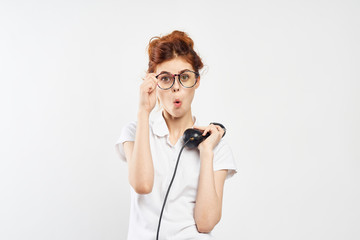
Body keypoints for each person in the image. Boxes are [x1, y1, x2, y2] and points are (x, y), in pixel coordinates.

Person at [115, 30, 237, 240]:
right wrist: (143, 111)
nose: (176, 88)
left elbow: (206, 222)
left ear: (196, 81)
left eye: (185, 77)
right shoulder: (135, 132)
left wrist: (206, 152)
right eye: (165, 79)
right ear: (153, 83)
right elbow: (142, 185)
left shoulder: (217, 147)